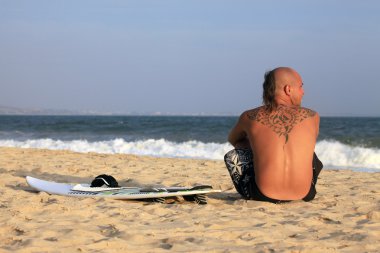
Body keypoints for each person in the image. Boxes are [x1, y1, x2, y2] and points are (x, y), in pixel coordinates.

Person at [225, 67, 323, 203]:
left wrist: (257, 146)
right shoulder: (313, 116)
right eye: (301, 87)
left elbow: (233, 140)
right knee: (308, 152)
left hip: (261, 195)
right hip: (306, 194)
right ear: (288, 89)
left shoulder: (249, 116)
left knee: (236, 152)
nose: (303, 92)